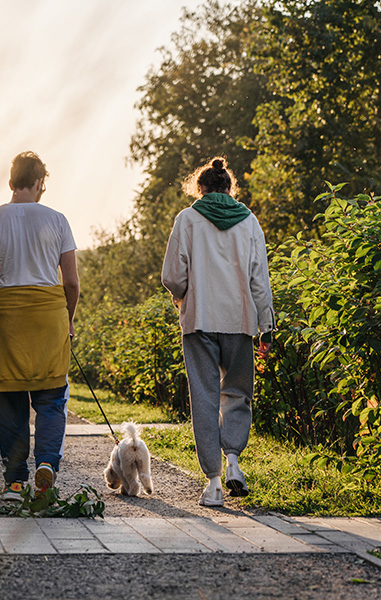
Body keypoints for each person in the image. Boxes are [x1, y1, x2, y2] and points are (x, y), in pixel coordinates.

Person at [0, 151, 80, 502]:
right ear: (41, 181)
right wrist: (68, 320)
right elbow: (71, 283)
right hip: (48, 316)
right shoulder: (57, 220)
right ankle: (46, 464)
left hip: (7, 316)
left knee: (10, 398)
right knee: (51, 398)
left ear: (11, 181)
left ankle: (14, 482)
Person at [161, 156, 274, 507]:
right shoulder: (249, 222)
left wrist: (183, 296)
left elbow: (172, 276)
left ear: (201, 188)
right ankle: (234, 464)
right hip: (240, 322)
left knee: (206, 398)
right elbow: (260, 279)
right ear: (229, 188)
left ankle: (212, 484)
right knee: (238, 393)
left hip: (199, 321)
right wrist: (266, 326)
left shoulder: (187, 219)